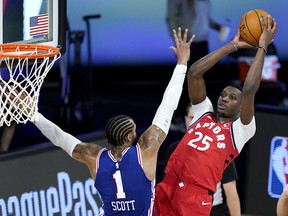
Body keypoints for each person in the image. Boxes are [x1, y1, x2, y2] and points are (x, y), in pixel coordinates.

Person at [12, 28, 195, 215]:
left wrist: (34, 115)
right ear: (130, 135)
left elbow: (60, 138)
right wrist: (182, 63)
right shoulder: (146, 151)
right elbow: (167, 108)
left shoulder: (94, 157)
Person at [154, 15, 277, 216]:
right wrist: (232, 46)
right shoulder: (204, 113)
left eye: (231, 97)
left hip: (194, 198)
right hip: (167, 187)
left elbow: (248, 90)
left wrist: (262, 47)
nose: (224, 99)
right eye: (223, 94)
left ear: (240, 108)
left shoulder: (239, 130)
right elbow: (194, 73)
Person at [157, 103, 241, 216]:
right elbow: (166, 183)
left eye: (200, 119)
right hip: (177, 209)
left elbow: (231, 191)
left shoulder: (220, 150)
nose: (197, 123)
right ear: (186, 120)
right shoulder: (173, 149)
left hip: (212, 210)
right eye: (193, 118)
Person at [166, 0, 230, 132]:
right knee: (185, 82)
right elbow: (171, 19)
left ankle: (196, 117)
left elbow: (204, 18)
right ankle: (178, 118)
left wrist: (218, 27)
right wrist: (179, 42)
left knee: (200, 81)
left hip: (202, 43)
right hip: (189, 43)